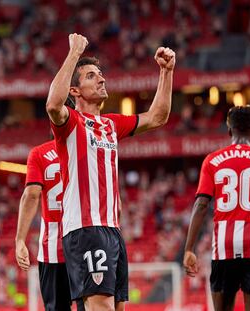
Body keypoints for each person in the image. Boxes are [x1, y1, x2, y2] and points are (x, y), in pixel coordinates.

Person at [45, 33, 175, 311]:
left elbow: (157, 117)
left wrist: (166, 72)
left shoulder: (111, 124)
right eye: (92, 76)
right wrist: (74, 54)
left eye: (101, 74)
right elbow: (54, 105)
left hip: (112, 230)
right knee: (100, 306)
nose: (102, 79)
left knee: (116, 307)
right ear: (76, 91)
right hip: (85, 228)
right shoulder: (71, 123)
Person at [183, 105, 250, 311]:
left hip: (224, 248)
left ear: (229, 131)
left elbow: (201, 205)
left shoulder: (212, 161)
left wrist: (189, 248)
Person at [15, 139, 84, 311]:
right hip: (87, 241)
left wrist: (20, 240)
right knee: (92, 305)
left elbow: (31, 195)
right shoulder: (88, 148)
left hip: (53, 247)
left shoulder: (39, 153)